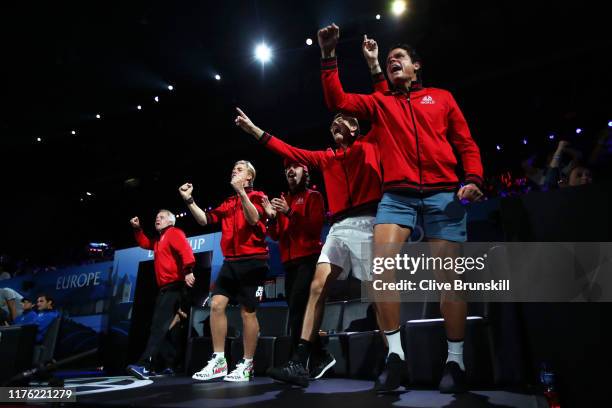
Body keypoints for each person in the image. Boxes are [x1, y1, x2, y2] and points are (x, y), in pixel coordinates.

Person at [318, 25, 484, 393]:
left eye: (400, 58)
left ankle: (455, 361)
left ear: (416, 66)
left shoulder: (441, 98)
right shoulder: (381, 104)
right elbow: (338, 100)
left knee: (449, 280)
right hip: (397, 196)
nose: (394, 61)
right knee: (381, 268)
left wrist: (473, 177)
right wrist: (329, 56)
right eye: (389, 59)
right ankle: (395, 356)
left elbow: (465, 142)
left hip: (444, 194)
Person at [234, 92, 384, 385]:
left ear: (356, 127)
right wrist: (253, 130)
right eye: (332, 122)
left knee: (376, 292)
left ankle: (392, 357)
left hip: (369, 220)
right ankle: (300, 362)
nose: (335, 123)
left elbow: (385, 113)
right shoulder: (325, 158)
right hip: (339, 227)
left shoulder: (371, 143)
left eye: (343, 120)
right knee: (316, 288)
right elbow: (285, 148)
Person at [179, 160, 269, 382]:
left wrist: (241, 193)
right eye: (233, 169)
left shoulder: (258, 196)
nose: (234, 171)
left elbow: (254, 218)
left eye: (240, 169)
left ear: (249, 177)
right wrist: (189, 200)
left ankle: (247, 364)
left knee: (248, 312)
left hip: (254, 261)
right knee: (216, 305)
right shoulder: (228, 203)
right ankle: (219, 360)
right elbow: (204, 220)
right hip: (231, 262)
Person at [262, 159, 325, 359]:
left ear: (305, 172)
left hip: (308, 258)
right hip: (289, 263)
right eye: (287, 168)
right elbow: (276, 235)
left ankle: (296, 360)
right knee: (295, 308)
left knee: (298, 307)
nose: (290, 170)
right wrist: (271, 218)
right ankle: (319, 357)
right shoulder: (283, 199)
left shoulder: (314, 196)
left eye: (295, 167)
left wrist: (289, 213)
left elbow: (314, 229)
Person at [126, 209, 196, 380]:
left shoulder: (174, 232)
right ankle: (169, 365)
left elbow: (185, 250)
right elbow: (144, 243)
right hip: (167, 288)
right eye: (157, 217)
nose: (158, 219)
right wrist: (137, 229)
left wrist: (188, 270)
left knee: (158, 326)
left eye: (162, 217)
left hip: (174, 286)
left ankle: (145, 365)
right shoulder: (159, 240)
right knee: (167, 328)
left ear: (171, 221)